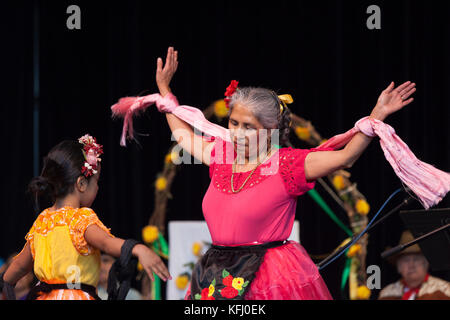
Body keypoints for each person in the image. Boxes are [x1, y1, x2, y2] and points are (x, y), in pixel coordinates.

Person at [111, 47, 450, 300]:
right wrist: (165, 92)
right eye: (233, 123)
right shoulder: (221, 155)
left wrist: (375, 116)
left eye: (249, 126)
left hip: (271, 274)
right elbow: (184, 136)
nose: (238, 132)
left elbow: (346, 155)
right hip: (217, 271)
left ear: (271, 130)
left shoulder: (287, 165)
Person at [0, 135, 171, 300]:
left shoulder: (42, 221)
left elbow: (19, 266)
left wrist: (4, 282)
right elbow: (105, 242)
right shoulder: (80, 218)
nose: (97, 188)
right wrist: (138, 248)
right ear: (81, 184)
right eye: (96, 181)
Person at [378, 230, 450, 300]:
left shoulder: (444, 289)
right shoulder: (387, 293)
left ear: (426, 263)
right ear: (399, 267)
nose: (411, 265)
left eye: (416, 259)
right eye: (406, 260)